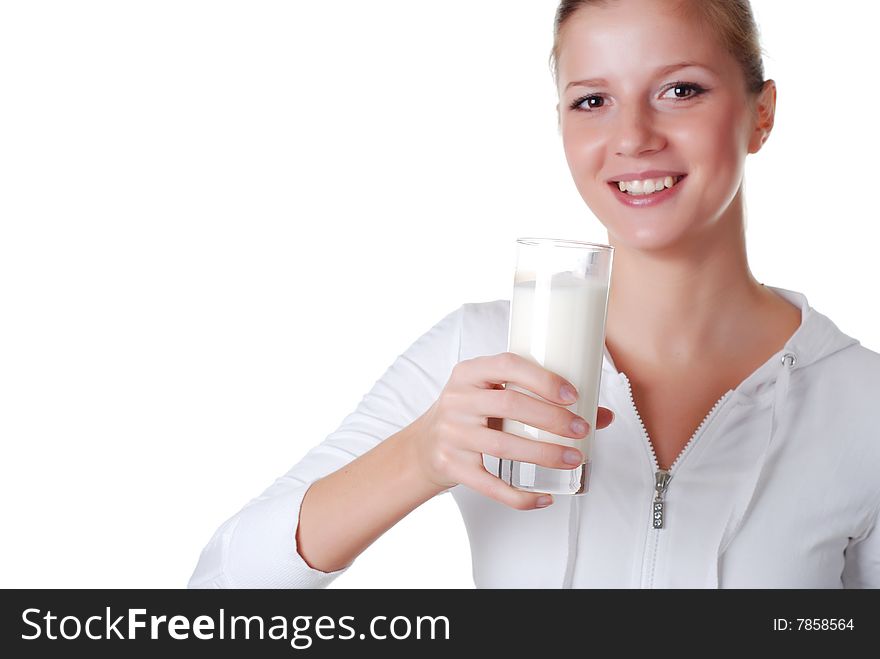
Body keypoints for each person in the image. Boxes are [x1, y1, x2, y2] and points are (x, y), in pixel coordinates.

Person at [188, 0, 880, 588]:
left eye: (681, 90)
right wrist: (420, 455)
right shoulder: (480, 355)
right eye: (593, 101)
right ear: (561, 125)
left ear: (762, 114)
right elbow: (222, 589)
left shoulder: (862, 403)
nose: (632, 137)